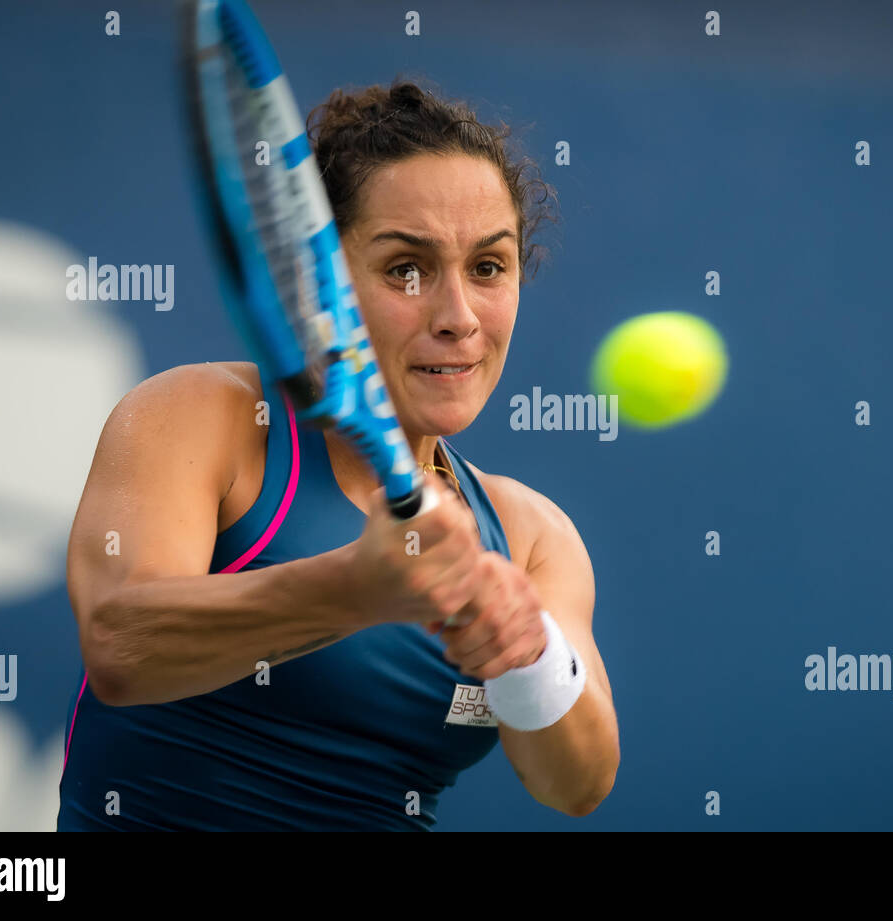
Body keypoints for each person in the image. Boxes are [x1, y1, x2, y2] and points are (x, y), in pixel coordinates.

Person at [56, 80, 619, 830]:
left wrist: (526, 655)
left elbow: (577, 783)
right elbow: (120, 644)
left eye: (488, 267)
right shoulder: (204, 417)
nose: (458, 317)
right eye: (405, 269)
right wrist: (357, 588)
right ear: (317, 286)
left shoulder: (531, 536)